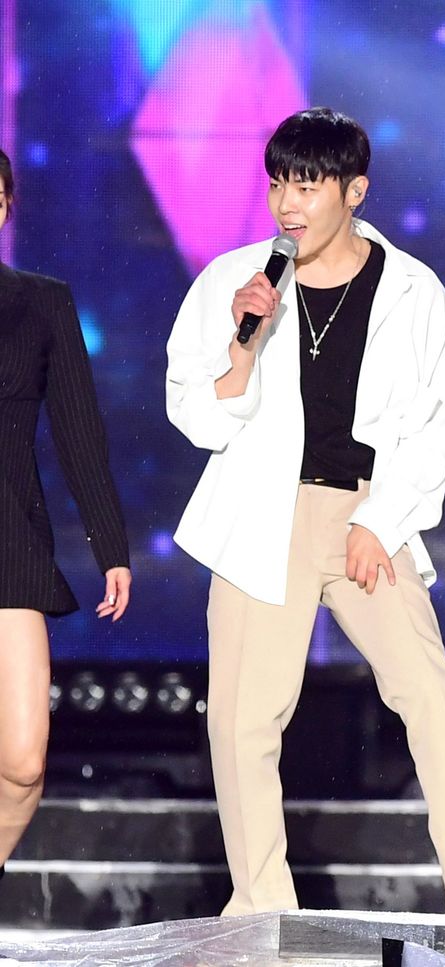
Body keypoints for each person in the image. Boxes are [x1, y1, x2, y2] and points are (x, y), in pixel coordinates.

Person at [167, 106, 445, 917]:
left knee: (429, 691)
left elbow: (436, 422)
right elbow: (197, 417)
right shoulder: (233, 282)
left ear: (354, 191)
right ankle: (262, 906)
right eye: (278, 185)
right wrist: (243, 347)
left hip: (368, 512)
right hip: (263, 512)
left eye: (308, 186)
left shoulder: (413, 290)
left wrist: (379, 522)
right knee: (244, 720)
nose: (287, 204)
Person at [0, 150, 131, 878]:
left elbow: (79, 432)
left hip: (10, 542)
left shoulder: (41, 303)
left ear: (7, 206)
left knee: (23, 763)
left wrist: (110, 545)